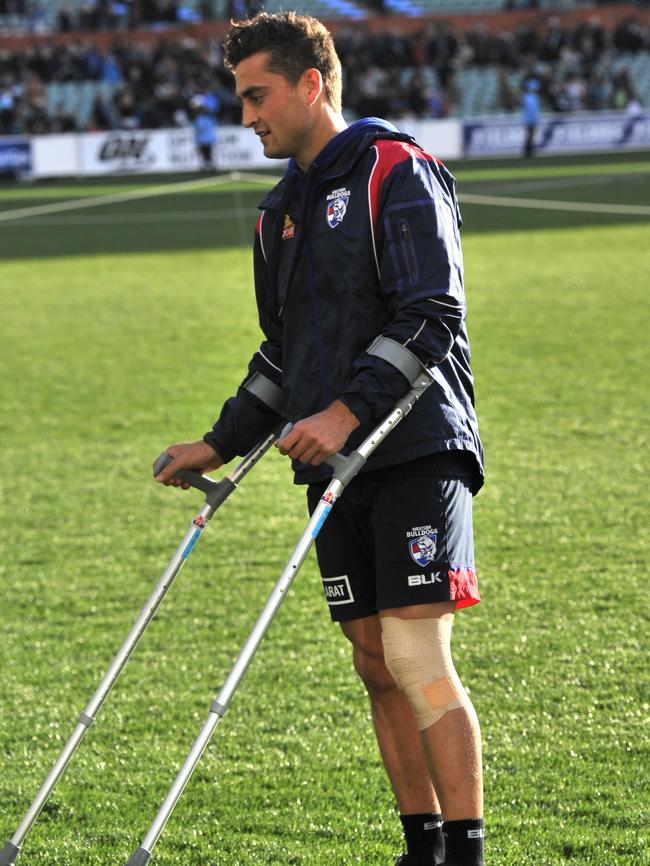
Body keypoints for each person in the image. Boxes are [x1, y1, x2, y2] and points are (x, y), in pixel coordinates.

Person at [156, 13, 484, 866]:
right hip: (334, 461)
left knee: (414, 651)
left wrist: (349, 410)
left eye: (258, 95)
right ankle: (422, 845)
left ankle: (469, 851)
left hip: (415, 444)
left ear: (312, 83)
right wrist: (218, 443)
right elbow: (286, 353)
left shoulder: (393, 168)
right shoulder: (277, 215)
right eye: (240, 98)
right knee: (373, 659)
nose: (247, 116)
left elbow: (432, 313)